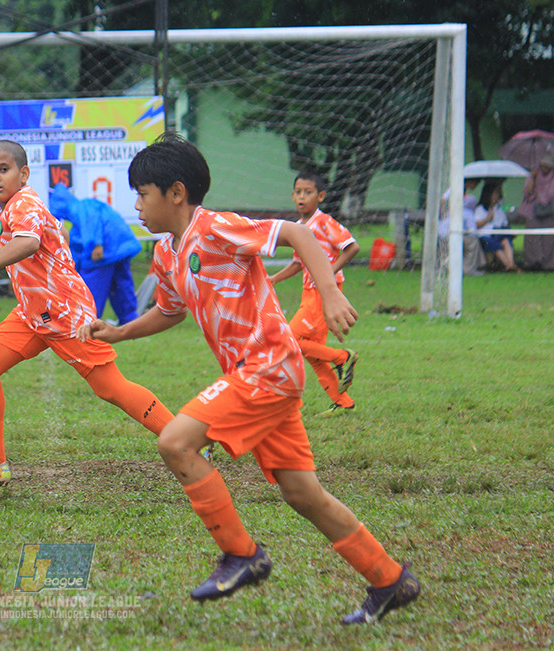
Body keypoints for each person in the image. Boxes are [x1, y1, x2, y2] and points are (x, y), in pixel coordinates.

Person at [79, 133, 420, 625]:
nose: (136, 204)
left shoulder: (218, 228)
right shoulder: (168, 253)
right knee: (303, 494)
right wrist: (119, 333)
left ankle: (243, 555)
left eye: (142, 193)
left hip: (270, 368)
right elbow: (169, 311)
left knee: (176, 443)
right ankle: (390, 578)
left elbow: (300, 236)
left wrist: (329, 293)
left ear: (176, 193)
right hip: (258, 377)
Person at [0, 139, 174, 486]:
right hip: (33, 313)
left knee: (110, 387)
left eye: (3, 170)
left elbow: (29, 242)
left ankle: (185, 440)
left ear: (24, 174)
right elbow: (48, 236)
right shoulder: (15, 206)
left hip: (63, 312)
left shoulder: (24, 202)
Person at [269, 171, 360, 418]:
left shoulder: (324, 222)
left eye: (308, 192)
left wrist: (327, 275)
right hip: (309, 292)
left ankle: (343, 357)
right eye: (298, 192)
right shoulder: (299, 228)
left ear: (320, 196)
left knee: (291, 341)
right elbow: (299, 263)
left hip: (323, 294)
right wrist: (275, 278)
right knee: (313, 354)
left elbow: (352, 247)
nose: (302, 197)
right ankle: (343, 403)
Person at [48, 182, 142, 324]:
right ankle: (131, 321)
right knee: (121, 285)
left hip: (106, 250)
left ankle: (87, 320)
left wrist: (97, 244)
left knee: (91, 286)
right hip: (121, 247)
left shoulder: (80, 208)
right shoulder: (80, 218)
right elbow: (75, 247)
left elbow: (92, 222)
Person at [517, 154, 554, 270]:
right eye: (543, 166)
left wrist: (541, 196)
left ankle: (548, 264)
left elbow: (550, 195)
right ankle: (533, 263)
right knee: (532, 237)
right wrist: (533, 178)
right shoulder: (533, 176)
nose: (544, 168)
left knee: (548, 239)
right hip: (533, 211)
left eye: (547, 166)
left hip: (549, 212)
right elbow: (527, 193)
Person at [475, 180, 520, 273]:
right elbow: (477, 225)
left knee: (506, 241)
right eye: (495, 194)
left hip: (498, 233)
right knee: (494, 244)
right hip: (485, 235)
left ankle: (510, 264)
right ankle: (508, 265)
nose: (497, 196)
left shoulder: (499, 209)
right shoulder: (480, 209)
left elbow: (504, 224)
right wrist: (488, 218)